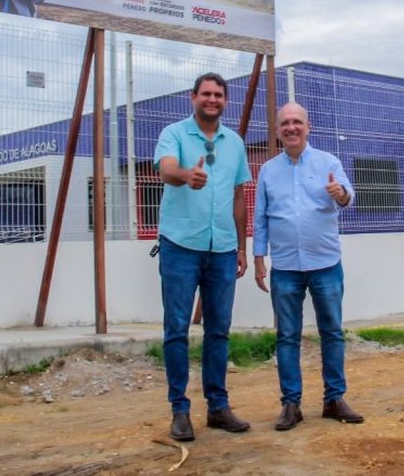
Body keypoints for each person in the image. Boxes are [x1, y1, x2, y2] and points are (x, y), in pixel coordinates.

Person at [253, 102, 365, 431]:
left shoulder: (328, 162)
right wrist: (259, 258)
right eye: (284, 123)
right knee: (287, 336)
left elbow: (348, 197)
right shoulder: (268, 171)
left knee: (332, 332)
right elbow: (260, 218)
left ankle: (334, 399)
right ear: (277, 131)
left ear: (308, 126)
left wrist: (340, 192)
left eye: (297, 122)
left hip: (325, 262)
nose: (291, 128)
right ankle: (291, 405)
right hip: (285, 266)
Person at [154, 73, 252, 442]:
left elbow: (239, 196)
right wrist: (185, 175)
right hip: (181, 246)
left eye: (218, 95)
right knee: (176, 330)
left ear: (225, 100)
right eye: (205, 94)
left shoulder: (236, 143)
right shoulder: (175, 134)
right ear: (192, 97)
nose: (212, 99)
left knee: (219, 331)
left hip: (224, 249)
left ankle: (218, 407)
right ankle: (180, 410)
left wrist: (241, 247)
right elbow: (165, 169)